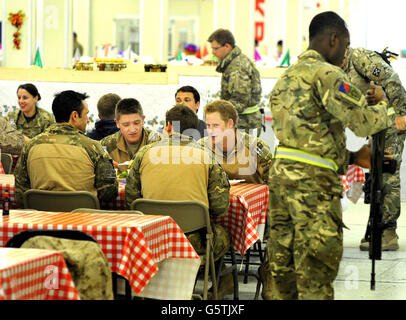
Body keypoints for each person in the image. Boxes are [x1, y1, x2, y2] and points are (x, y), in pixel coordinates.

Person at [261, 11, 393, 300]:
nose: (345, 55)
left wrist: (350, 156)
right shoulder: (328, 75)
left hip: (281, 183)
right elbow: (364, 122)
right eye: (345, 46)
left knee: (283, 272)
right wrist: (383, 106)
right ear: (333, 39)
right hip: (314, 189)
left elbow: (307, 140)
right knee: (316, 275)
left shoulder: (285, 78)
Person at [125, 104, 232, 298]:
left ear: (167, 126)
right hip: (192, 240)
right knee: (223, 235)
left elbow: (131, 200)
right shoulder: (206, 155)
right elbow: (220, 206)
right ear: (194, 129)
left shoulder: (144, 154)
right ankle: (204, 287)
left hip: (151, 238)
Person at [342, 47, 406, 251]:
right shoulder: (336, 67)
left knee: (388, 173)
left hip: (391, 121)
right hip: (376, 124)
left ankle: (388, 232)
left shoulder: (361, 58)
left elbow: (392, 78)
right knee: (376, 175)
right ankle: (376, 228)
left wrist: (402, 113)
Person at [15, 90, 118, 207]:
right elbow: (109, 192)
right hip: (83, 220)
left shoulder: (31, 146)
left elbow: (20, 192)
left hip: (42, 220)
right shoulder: (93, 147)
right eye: (86, 114)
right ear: (74, 116)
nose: (87, 120)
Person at [199, 99, 272, 185]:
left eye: (216, 125)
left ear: (230, 124)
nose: (210, 131)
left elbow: (274, 185)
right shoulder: (201, 147)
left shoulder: (255, 148)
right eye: (208, 125)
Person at [207, 29, 263, 137]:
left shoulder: (237, 67)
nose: (213, 52)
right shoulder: (234, 62)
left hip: (244, 123)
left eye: (215, 48)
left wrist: (219, 115)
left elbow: (239, 101)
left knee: (242, 153)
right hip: (242, 121)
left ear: (227, 46)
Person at [100, 98, 160, 174]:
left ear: (143, 120)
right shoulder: (106, 145)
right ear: (117, 123)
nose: (132, 129)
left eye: (136, 123)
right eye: (126, 125)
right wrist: (106, 169)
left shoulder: (157, 141)